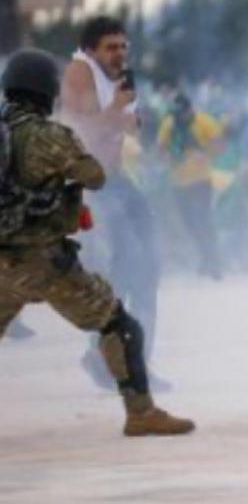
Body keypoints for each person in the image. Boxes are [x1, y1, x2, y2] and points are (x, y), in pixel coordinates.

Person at [0, 48, 194, 436]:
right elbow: (95, 176)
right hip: (43, 262)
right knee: (119, 325)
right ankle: (141, 412)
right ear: (45, 91)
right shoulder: (48, 136)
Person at [60, 16, 165, 390]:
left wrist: (131, 116)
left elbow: (128, 131)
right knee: (116, 277)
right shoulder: (79, 72)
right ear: (91, 50)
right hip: (94, 188)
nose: (120, 53)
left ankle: (136, 363)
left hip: (119, 182)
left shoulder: (117, 80)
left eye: (123, 46)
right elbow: (81, 131)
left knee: (148, 269)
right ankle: (108, 360)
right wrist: (118, 109)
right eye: (111, 47)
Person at [157, 93, 226, 279]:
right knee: (189, 223)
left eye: (181, 113)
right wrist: (167, 157)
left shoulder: (204, 122)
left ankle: (214, 262)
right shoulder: (169, 124)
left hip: (201, 180)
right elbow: (160, 150)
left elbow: (220, 145)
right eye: (175, 113)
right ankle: (205, 257)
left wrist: (204, 153)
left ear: (190, 110)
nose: (178, 117)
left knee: (203, 220)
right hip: (178, 181)